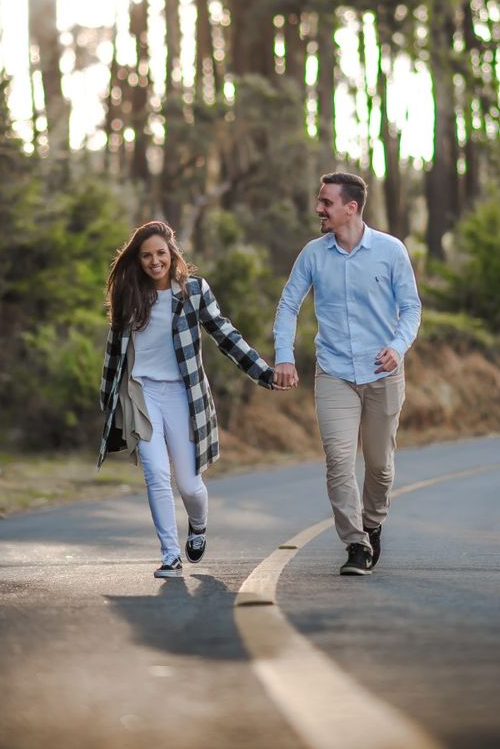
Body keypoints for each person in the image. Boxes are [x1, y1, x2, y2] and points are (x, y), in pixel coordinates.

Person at [97, 220, 279, 579]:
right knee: (156, 474)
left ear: (172, 254)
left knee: (189, 484)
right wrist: (108, 403)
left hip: (183, 394)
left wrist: (264, 372)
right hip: (141, 394)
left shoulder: (192, 291)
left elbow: (225, 335)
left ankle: (198, 526)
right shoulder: (128, 294)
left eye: (160, 254)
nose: (154, 261)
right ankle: (169, 555)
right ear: (138, 259)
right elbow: (113, 352)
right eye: (146, 255)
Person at [273, 172, 421, 577]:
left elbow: (411, 308)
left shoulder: (391, 251)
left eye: (326, 202)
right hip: (334, 371)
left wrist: (398, 346)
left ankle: (372, 522)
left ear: (351, 208)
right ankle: (355, 544)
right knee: (338, 460)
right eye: (320, 201)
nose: (319, 209)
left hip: (382, 372)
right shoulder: (313, 254)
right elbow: (288, 306)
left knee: (380, 465)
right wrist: (284, 356)